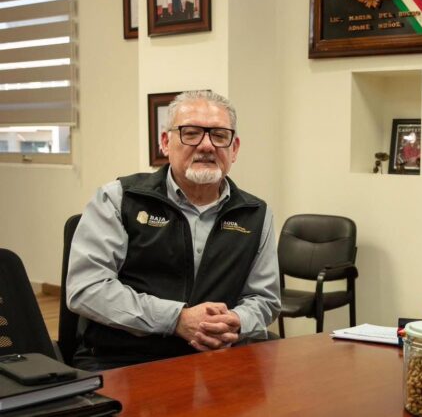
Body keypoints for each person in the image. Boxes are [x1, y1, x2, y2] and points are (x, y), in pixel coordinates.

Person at [66, 90, 281, 370]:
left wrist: (237, 321)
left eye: (219, 135)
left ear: (235, 148)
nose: (206, 145)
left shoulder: (256, 214)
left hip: (218, 361)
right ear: (166, 143)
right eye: (191, 133)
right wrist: (176, 319)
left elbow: (265, 298)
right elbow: (86, 289)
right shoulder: (120, 199)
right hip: (124, 362)